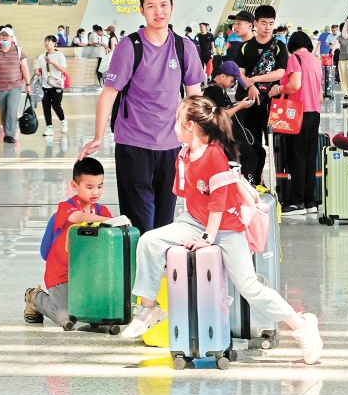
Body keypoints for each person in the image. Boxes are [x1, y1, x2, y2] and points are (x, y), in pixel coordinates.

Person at [122, 96, 324, 365]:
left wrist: (208, 238)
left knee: (249, 286)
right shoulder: (183, 155)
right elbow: (187, 196)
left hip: (227, 227)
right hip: (193, 220)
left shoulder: (215, 155)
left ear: (191, 125)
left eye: (178, 121)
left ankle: (301, 326)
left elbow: (218, 203)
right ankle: (148, 309)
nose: (174, 125)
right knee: (149, 241)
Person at [78, 0, 205, 234]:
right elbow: (109, 94)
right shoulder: (130, 47)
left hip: (171, 145)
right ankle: (138, 272)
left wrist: (199, 140)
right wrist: (98, 135)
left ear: (172, 7)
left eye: (163, 5)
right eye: (151, 6)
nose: (158, 11)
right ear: (142, 10)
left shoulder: (184, 48)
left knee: (165, 221)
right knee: (139, 221)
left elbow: (194, 97)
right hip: (133, 144)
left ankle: (159, 272)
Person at [24, 157, 114, 329]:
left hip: (87, 276)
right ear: (74, 186)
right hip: (61, 275)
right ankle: (35, 297)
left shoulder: (101, 210)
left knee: (99, 316)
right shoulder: (66, 207)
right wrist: (110, 220)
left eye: (100, 186)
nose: (95, 192)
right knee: (65, 317)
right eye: (89, 187)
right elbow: (79, 218)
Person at [269, 31, 323, 215]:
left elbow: (295, 85)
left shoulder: (295, 58)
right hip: (314, 112)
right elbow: (319, 93)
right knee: (309, 157)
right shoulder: (315, 61)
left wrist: (278, 88)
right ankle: (310, 201)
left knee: (296, 157)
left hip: (297, 113)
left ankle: (296, 201)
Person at [235, 5, 288, 171]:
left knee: (276, 141)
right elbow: (240, 73)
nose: (268, 27)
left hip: (272, 102)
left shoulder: (279, 46)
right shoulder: (244, 47)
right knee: (252, 142)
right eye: (264, 23)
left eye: (271, 23)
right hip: (249, 102)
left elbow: (280, 72)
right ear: (255, 23)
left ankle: (278, 179)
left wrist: (255, 79)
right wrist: (250, 86)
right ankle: (254, 179)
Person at [202, 60, 258, 184]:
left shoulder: (219, 90)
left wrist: (237, 104)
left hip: (230, 131)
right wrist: (240, 106)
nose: (232, 84)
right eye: (232, 81)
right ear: (223, 76)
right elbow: (221, 114)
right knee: (250, 157)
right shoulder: (213, 91)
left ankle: (255, 184)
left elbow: (224, 108)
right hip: (225, 133)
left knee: (258, 152)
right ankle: (248, 185)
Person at [0, 27, 31, 144]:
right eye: (2, 35)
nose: (4, 37)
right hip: (0, 87)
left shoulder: (18, 51)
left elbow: (24, 68)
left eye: (7, 35)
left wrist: (28, 84)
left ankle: (9, 134)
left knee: (12, 110)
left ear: (12, 38)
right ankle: (7, 129)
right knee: (3, 111)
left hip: (15, 86)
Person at [35, 35, 69, 137]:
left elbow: (63, 70)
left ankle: (63, 121)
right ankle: (49, 128)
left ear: (54, 43)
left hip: (57, 85)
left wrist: (53, 63)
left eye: (49, 41)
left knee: (56, 105)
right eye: (45, 41)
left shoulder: (59, 56)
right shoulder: (41, 56)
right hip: (45, 85)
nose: (46, 43)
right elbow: (37, 69)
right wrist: (37, 71)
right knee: (46, 107)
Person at [335, 19, 348, 97]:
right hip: (342, 58)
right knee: (343, 75)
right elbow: (335, 45)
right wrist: (331, 53)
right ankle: (346, 92)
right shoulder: (339, 37)